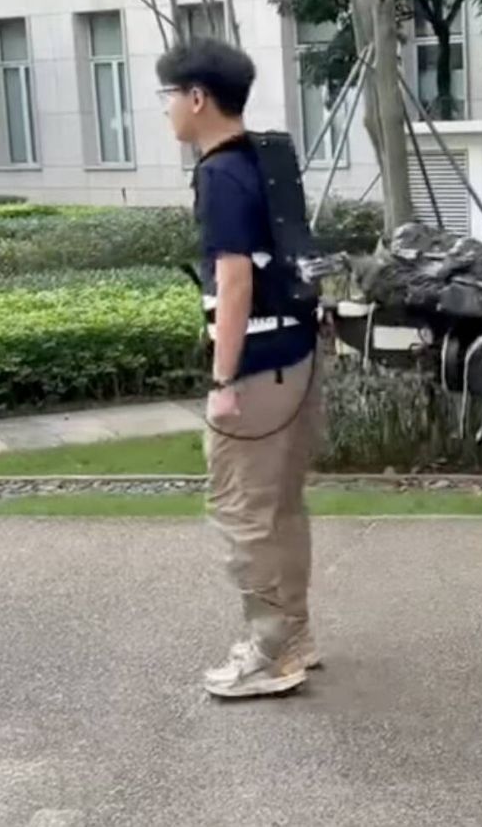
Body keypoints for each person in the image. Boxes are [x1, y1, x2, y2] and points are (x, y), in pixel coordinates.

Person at [156, 39, 325, 699]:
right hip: (296, 358)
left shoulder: (220, 175)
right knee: (280, 508)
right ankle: (295, 639)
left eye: (169, 95)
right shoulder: (264, 157)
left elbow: (234, 284)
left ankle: (268, 653)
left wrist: (222, 382)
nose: (167, 108)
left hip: (255, 372)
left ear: (198, 98)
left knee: (242, 512)